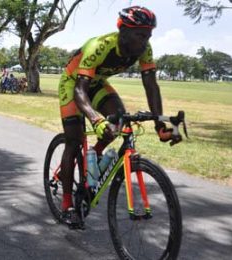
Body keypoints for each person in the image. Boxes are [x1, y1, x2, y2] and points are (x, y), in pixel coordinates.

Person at [57, 6, 180, 227]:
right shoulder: (100, 46)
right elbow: (79, 91)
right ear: (123, 30)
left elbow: (151, 86)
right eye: (140, 35)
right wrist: (96, 119)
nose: (144, 41)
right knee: (74, 142)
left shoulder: (144, 49)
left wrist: (160, 122)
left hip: (97, 83)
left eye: (148, 35)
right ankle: (67, 204)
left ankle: (93, 155)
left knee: (119, 120)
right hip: (74, 85)